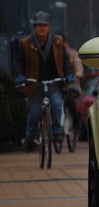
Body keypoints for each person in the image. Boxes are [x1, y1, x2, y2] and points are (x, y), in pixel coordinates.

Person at [15, 11, 75, 152]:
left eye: (44, 25)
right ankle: (29, 138)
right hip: (35, 83)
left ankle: (56, 132)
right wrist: (19, 75)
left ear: (49, 27)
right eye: (38, 25)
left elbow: (65, 62)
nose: (41, 28)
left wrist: (69, 74)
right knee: (35, 112)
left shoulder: (58, 41)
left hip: (54, 81)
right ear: (34, 27)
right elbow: (19, 62)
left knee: (56, 104)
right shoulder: (25, 43)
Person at [62, 35, 84, 135]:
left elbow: (78, 64)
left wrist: (78, 74)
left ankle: (76, 119)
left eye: (64, 43)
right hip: (58, 84)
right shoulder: (54, 53)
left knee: (69, 100)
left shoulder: (74, 54)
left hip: (72, 84)